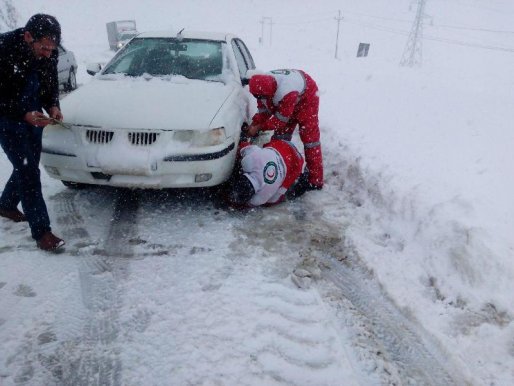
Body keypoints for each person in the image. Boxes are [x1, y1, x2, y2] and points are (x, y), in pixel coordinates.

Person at [0, 14, 65, 251]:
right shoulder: (4, 49)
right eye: (44, 48)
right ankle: (42, 232)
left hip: (33, 117)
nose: (49, 53)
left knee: (29, 163)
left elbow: (49, 82)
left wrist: (53, 105)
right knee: (28, 171)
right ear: (28, 37)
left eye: (53, 49)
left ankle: (6, 204)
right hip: (7, 119)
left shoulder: (50, 51)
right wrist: (22, 113)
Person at [246, 69, 324, 194]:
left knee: (310, 140)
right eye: (257, 97)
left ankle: (315, 180)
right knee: (280, 137)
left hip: (307, 97)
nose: (259, 99)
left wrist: (259, 128)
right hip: (289, 98)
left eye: (261, 97)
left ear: (270, 93)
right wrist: (255, 123)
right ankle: (284, 170)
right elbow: (263, 112)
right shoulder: (261, 88)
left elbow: (279, 121)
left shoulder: (286, 92)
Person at [227, 130, 307, 208]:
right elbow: (245, 147)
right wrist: (243, 141)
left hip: (295, 163)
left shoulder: (259, 199)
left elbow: (274, 199)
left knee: (282, 192)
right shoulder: (250, 161)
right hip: (282, 145)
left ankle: (302, 181)